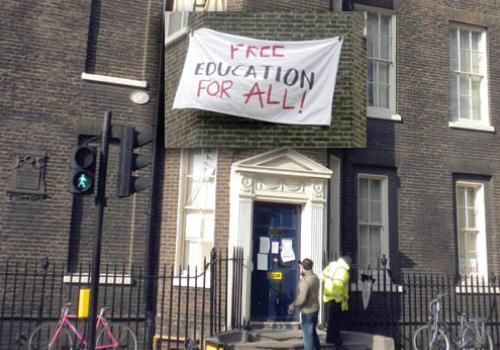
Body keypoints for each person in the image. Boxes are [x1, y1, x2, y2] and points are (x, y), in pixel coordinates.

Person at [288, 258, 321, 350]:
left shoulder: (305, 281)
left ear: (303, 267)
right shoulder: (315, 278)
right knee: (313, 333)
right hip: (315, 309)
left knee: (307, 336)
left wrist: (293, 305)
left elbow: (302, 299)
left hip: (307, 311)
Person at [321, 255, 351, 348]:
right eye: (350, 263)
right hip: (337, 299)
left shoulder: (331, 266)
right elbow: (339, 285)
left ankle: (330, 338)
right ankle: (336, 339)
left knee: (331, 320)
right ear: (347, 263)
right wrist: (341, 299)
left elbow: (322, 277)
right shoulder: (343, 271)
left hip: (328, 296)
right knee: (336, 320)